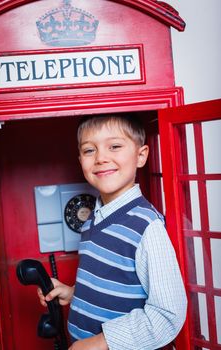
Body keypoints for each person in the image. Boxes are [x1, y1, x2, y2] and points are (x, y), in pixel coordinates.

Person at [38, 113, 187, 350]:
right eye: (89, 150)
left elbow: (167, 315)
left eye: (114, 146)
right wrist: (73, 293)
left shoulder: (147, 227)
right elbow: (116, 286)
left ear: (141, 156)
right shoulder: (92, 221)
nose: (100, 158)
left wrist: (101, 341)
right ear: (80, 160)